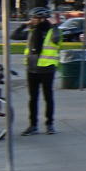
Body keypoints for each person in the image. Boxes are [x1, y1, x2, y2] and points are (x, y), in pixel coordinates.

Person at [23, 7, 60, 135]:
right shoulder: (32, 30)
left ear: (42, 19)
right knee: (33, 99)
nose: (32, 20)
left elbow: (56, 39)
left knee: (48, 97)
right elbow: (14, 35)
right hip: (32, 69)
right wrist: (24, 25)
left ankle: (50, 124)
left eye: (34, 18)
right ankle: (33, 125)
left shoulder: (52, 31)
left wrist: (55, 25)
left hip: (47, 69)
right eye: (31, 18)